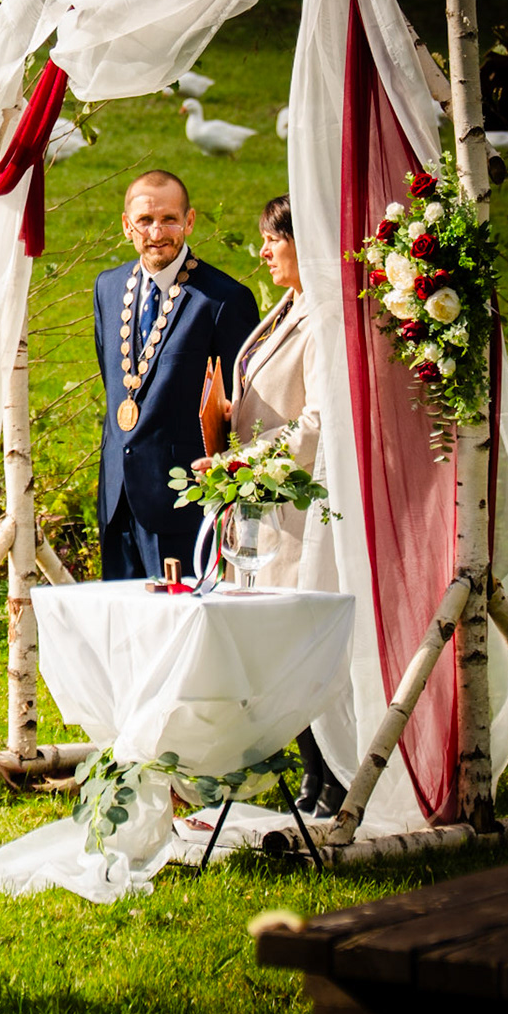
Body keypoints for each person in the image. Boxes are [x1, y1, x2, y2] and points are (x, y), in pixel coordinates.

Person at [194, 195, 339, 815]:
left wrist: (241, 461)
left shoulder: (325, 319)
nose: (263, 251)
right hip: (264, 510)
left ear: (305, 241)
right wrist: (227, 415)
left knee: (300, 646)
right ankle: (312, 775)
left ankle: (332, 777)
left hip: (301, 510)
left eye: (273, 240)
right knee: (276, 649)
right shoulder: (287, 306)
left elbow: (318, 423)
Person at [94, 170, 259, 580]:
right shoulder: (107, 288)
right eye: (145, 220)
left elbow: (241, 411)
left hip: (185, 502)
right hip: (117, 500)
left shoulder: (223, 300)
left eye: (169, 219)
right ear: (127, 225)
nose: (157, 233)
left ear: (190, 221)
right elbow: (114, 382)